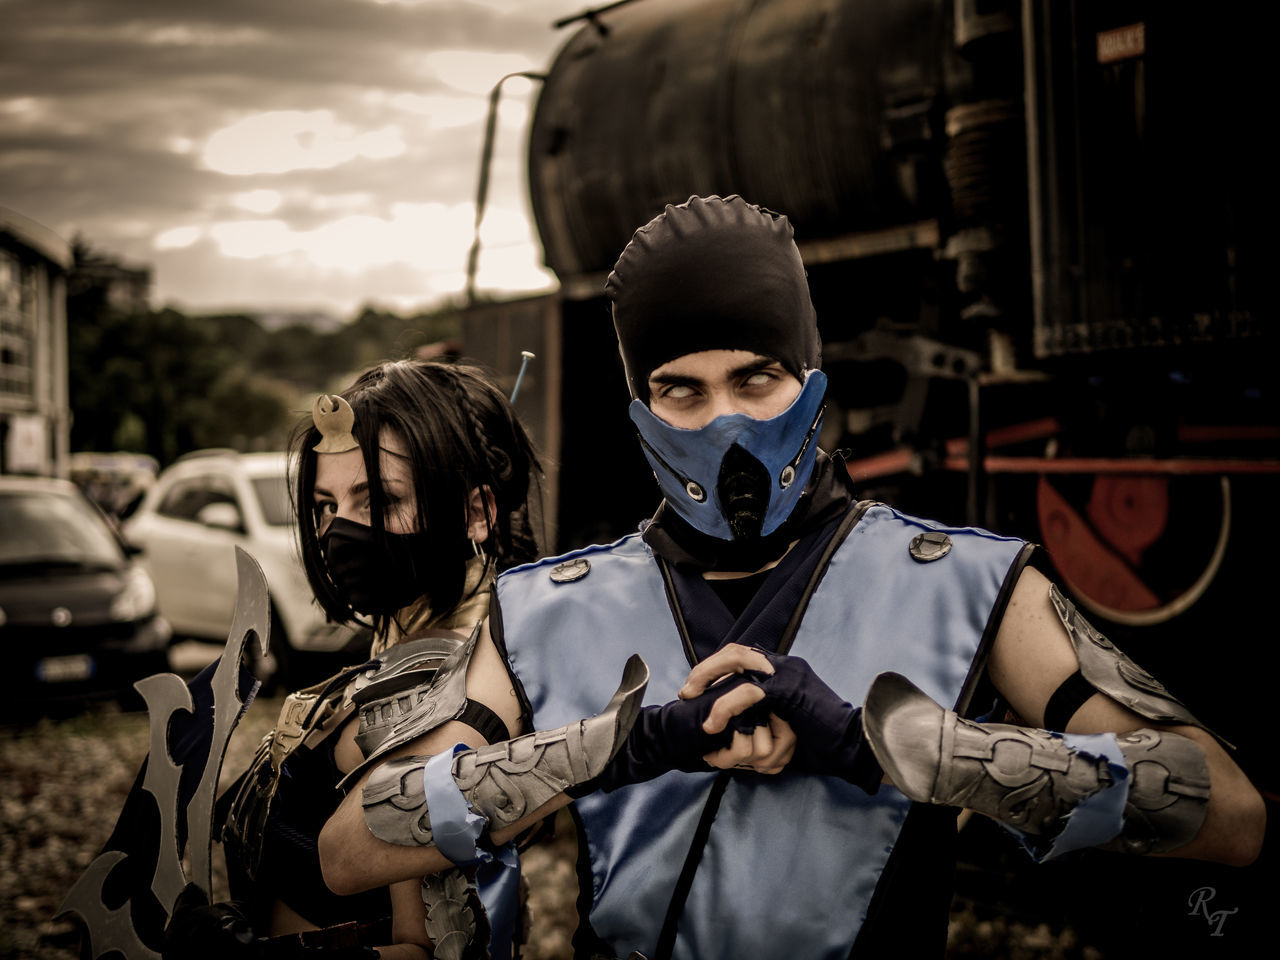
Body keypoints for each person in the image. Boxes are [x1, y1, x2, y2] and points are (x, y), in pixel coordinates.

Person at [317, 196, 1266, 959]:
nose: (723, 420)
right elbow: (353, 846)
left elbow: (1226, 810)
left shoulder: (966, 582)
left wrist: (888, 743)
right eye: (680, 390)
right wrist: (621, 747)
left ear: (810, 381)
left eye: (757, 379)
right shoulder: (545, 611)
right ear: (640, 408)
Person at [172, 359, 543, 959]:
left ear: (476, 512)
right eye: (326, 505)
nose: (340, 530)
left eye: (376, 500)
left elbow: (435, 952)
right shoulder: (419, 655)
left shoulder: (436, 703)